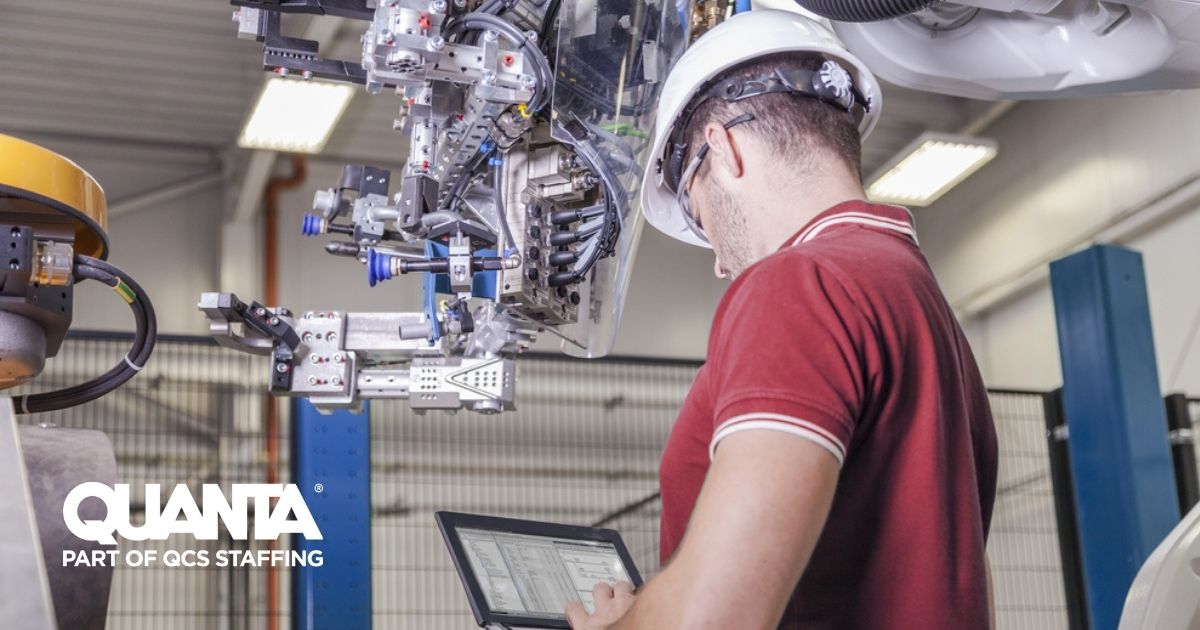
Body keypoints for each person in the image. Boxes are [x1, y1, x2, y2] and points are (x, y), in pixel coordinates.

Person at [564, 10, 998, 630]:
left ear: (724, 147)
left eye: (697, 212)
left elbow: (717, 620)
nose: (717, 262)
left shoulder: (798, 284)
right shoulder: (915, 296)